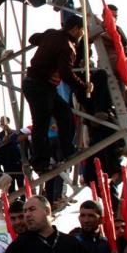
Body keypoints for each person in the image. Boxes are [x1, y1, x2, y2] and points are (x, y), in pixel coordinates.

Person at [23, 16, 92, 173]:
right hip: (39, 86)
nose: (82, 34)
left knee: (65, 114)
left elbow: (33, 38)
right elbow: (66, 74)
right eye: (82, 30)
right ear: (75, 29)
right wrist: (84, 86)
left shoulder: (51, 34)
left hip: (40, 85)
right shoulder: (67, 47)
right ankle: (41, 163)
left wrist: (45, 45)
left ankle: (68, 151)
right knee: (41, 123)